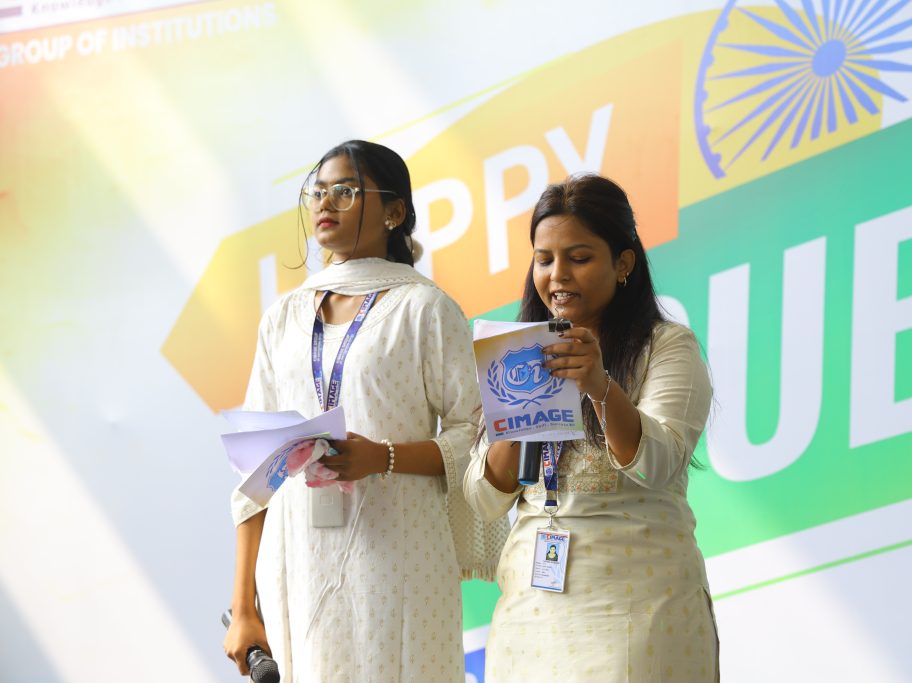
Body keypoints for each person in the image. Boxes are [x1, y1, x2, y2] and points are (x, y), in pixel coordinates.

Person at [223, 140, 506, 682]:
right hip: (296, 558)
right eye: (317, 192)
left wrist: (384, 457)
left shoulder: (424, 307)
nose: (325, 203)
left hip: (399, 556)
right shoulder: (283, 318)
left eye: (346, 191)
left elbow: (477, 435)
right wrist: (242, 608)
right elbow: (253, 475)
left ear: (394, 213)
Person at [463, 173, 718, 682]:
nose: (558, 275)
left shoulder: (666, 346)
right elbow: (484, 498)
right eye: (544, 259)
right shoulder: (516, 354)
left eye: (578, 258)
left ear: (623, 263)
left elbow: (658, 465)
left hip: (640, 614)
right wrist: (519, 406)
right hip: (530, 617)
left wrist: (599, 385)